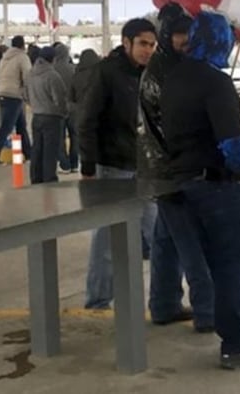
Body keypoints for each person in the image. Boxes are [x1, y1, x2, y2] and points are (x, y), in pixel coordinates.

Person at [160, 11, 240, 371]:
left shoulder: (174, 78)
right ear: (221, 41)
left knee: (215, 267)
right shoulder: (216, 83)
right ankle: (237, 345)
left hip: (182, 185)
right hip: (218, 188)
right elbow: (231, 143)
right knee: (231, 268)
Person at [138, 3, 215, 331]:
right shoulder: (168, 72)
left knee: (166, 241)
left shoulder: (166, 65)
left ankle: (164, 304)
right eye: (181, 33)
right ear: (168, 34)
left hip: (161, 169)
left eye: (189, 32)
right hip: (173, 170)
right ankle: (208, 312)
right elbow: (177, 123)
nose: (187, 39)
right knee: (192, 243)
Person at [78, 18, 158, 310]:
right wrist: (88, 167)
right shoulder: (106, 73)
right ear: (126, 42)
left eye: (152, 44)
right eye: (142, 44)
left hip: (145, 169)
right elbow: (86, 120)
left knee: (159, 232)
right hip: (113, 167)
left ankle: (162, 301)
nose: (148, 50)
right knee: (107, 240)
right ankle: (97, 301)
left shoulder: (148, 74)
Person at [23, 46, 69, 184]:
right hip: (52, 117)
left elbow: (25, 95)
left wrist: (34, 105)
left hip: (36, 116)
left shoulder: (30, 74)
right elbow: (59, 99)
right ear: (53, 59)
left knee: (37, 149)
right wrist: (63, 112)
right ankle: (49, 179)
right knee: (50, 151)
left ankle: (36, 178)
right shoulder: (52, 76)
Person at [0, 35, 32, 165]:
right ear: (23, 45)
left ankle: (29, 154)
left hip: (3, 93)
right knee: (6, 128)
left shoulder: (4, 58)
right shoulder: (23, 57)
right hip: (14, 94)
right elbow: (28, 77)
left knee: (21, 126)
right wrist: (29, 95)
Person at [50, 42, 78, 173]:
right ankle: (75, 164)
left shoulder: (51, 69)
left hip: (57, 109)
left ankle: (64, 164)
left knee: (59, 137)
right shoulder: (74, 69)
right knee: (75, 136)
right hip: (73, 108)